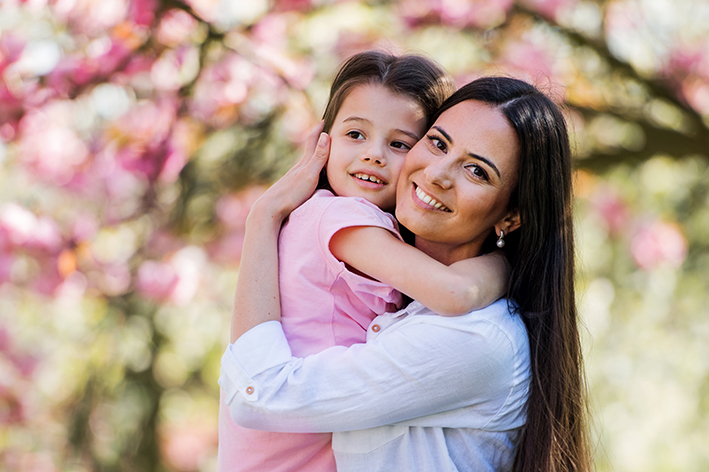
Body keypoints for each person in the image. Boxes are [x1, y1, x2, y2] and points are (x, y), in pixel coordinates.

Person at [220, 76, 592, 472]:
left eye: (477, 171)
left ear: (511, 215)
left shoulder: (473, 339)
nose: (437, 174)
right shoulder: (394, 292)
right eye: (437, 142)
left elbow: (259, 394)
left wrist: (263, 218)